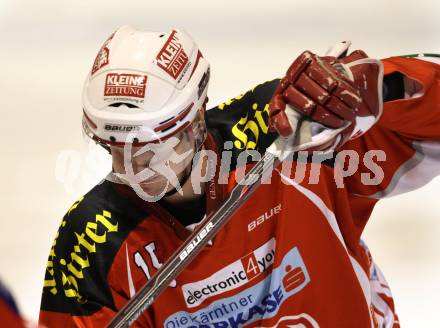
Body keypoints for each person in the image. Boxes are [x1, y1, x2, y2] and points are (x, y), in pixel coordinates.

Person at [39, 25, 440, 327]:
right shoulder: (90, 242)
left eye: (150, 143)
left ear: (195, 116)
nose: (130, 166)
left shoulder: (291, 129)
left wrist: (379, 87)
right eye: (111, 145)